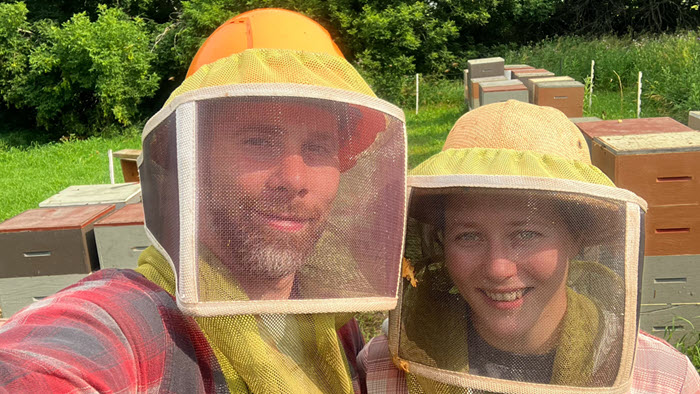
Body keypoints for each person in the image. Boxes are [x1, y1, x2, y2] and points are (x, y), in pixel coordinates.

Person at [0, 8, 408, 393]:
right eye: (259, 141)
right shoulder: (137, 323)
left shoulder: (332, 319)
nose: (294, 180)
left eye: (318, 148)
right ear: (193, 161)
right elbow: (45, 362)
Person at [358, 100, 700, 393]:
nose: (498, 268)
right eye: (469, 236)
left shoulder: (663, 380)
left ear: (576, 237)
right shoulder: (384, 365)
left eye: (527, 234)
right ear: (442, 242)